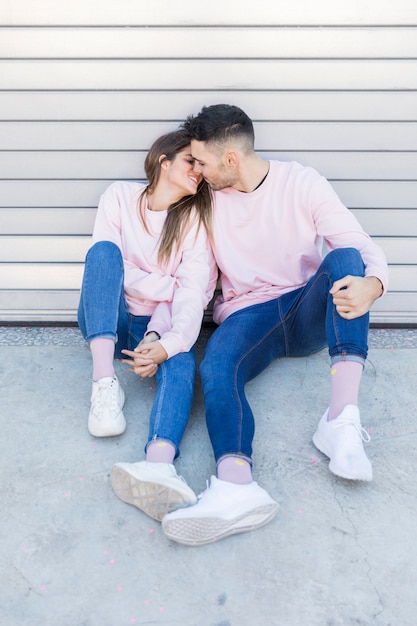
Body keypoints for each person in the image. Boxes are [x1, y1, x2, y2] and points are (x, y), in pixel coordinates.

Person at [161, 104, 389, 546]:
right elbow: (195, 283)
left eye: (202, 162)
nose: (198, 172)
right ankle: (235, 484)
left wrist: (374, 286)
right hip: (248, 316)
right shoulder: (206, 203)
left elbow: (359, 244)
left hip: (304, 307)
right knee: (216, 368)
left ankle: (341, 421)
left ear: (230, 160)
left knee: (346, 260)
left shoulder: (301, 183)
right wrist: (173, 339)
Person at [77, 130, 217, 522]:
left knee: (183, 362)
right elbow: (106, 270)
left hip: (157, 322)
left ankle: (159, 461)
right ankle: (104, 385)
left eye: (202, 167)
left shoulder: (193, 222)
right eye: (191, 161)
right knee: (104, 253)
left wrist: (160, 340)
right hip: (109, 314)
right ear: (164, 160)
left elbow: (190, 296)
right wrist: (166, 285)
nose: (199, 172)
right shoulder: (119, 198)